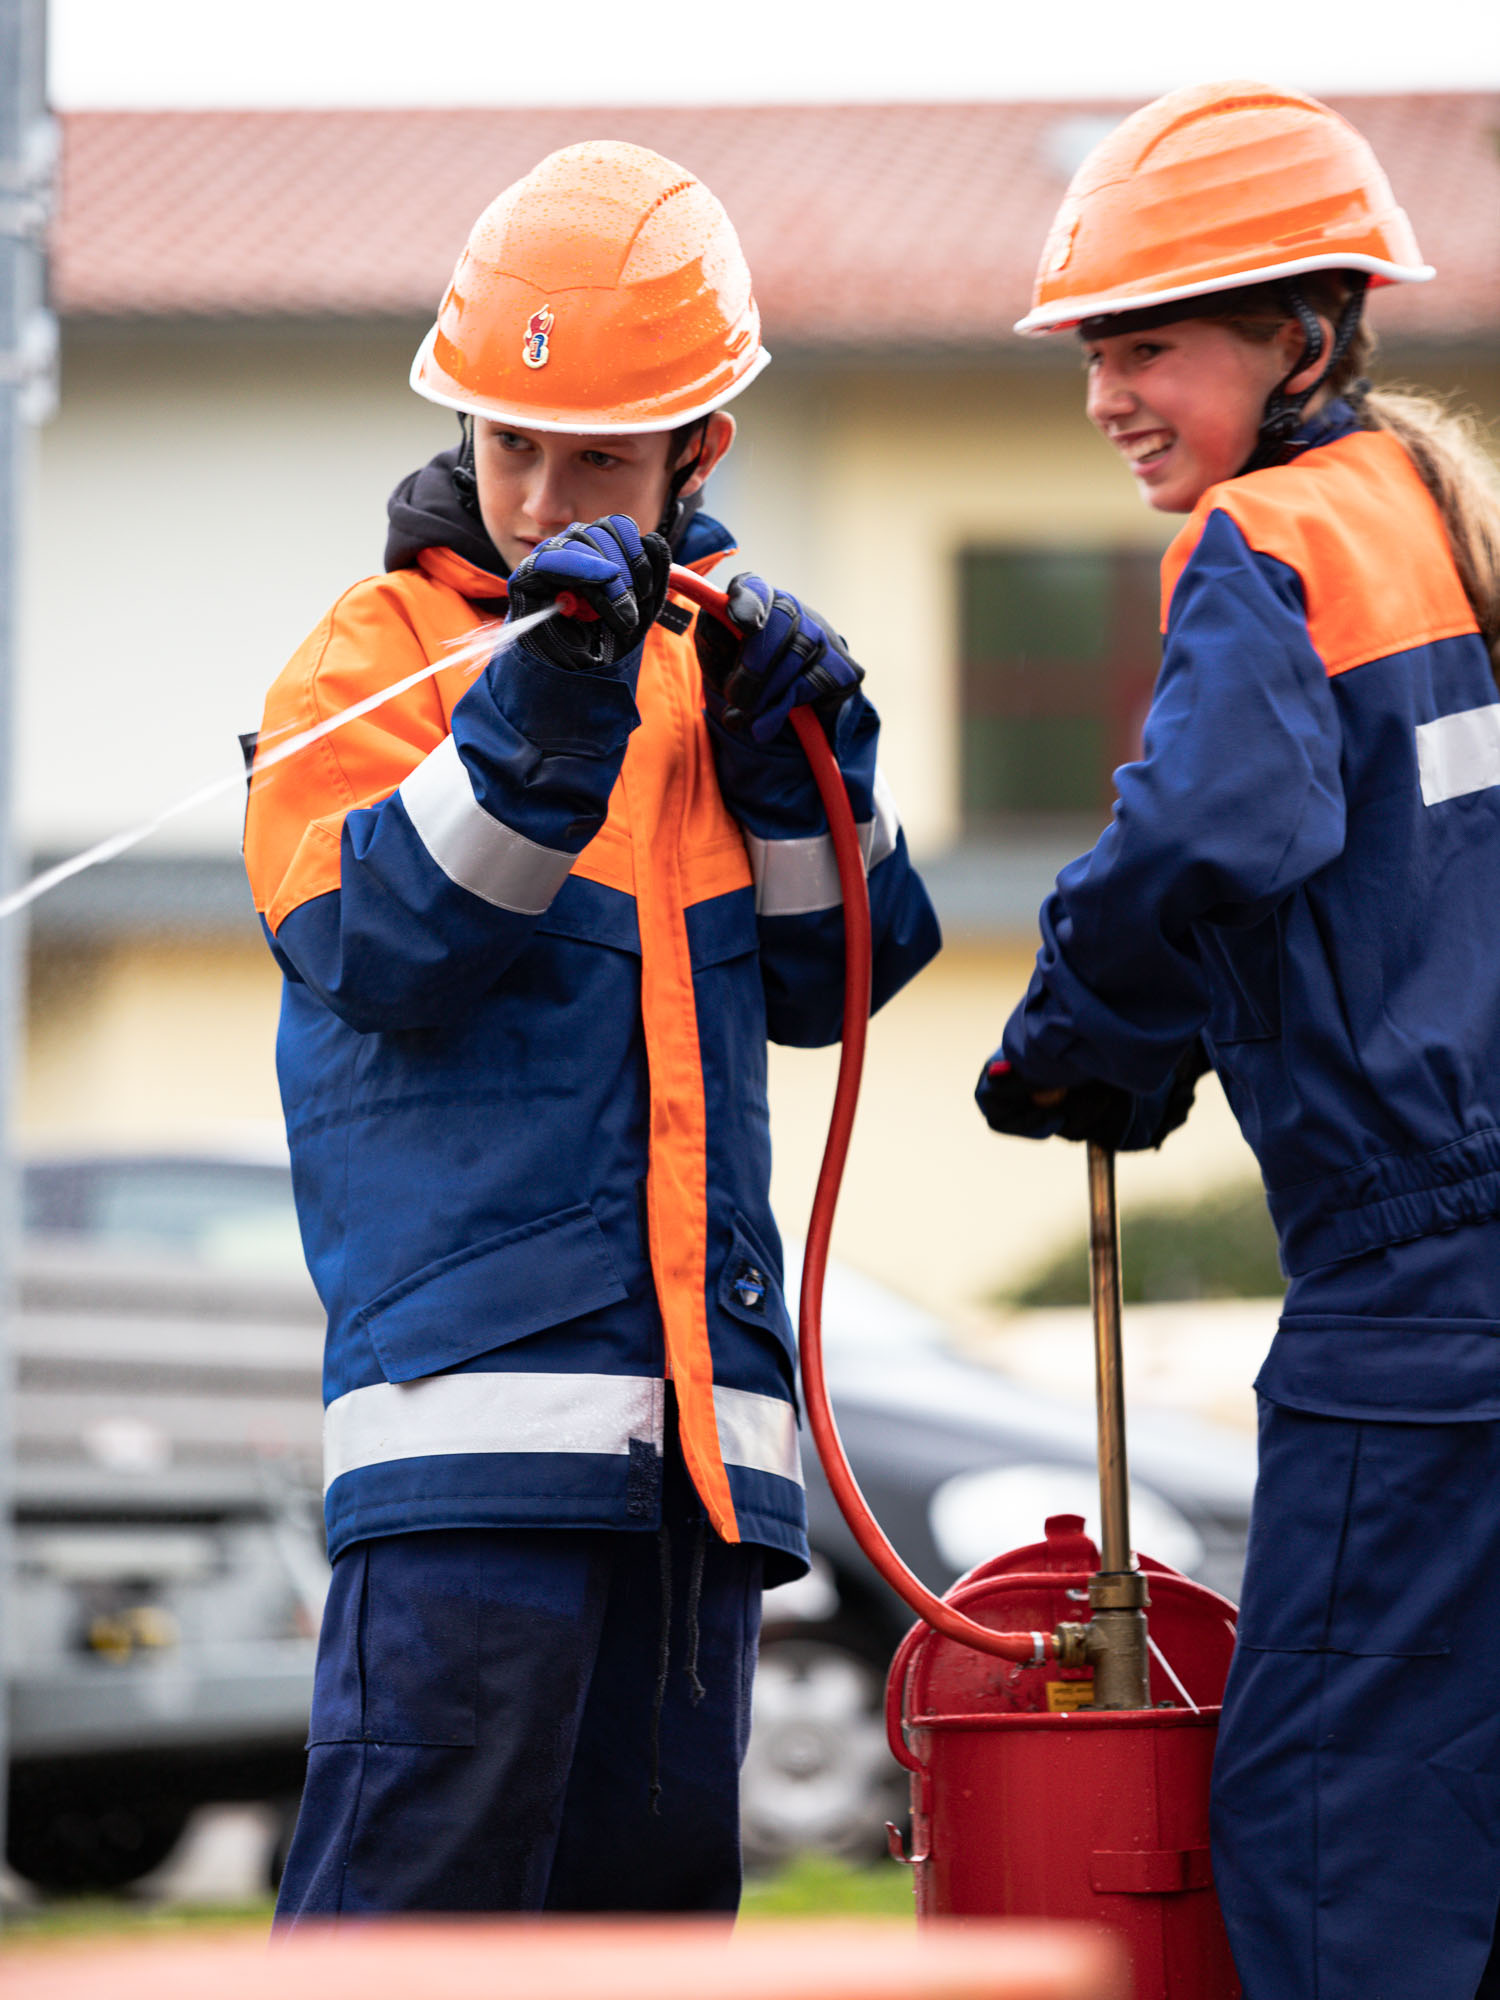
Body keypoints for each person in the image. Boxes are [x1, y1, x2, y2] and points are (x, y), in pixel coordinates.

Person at [243, 139, 940, 1920]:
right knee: (405, 1948)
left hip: (700, 1472)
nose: (546, 494)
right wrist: (540, 710)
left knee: (649, 1950)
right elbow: (384, 947)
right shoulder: (368, 660)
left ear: (703, 448)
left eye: (599, 456)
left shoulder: (718, 678)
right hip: (469, 1455)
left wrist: (816, 760)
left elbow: (833, 982)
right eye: (510, 443)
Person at [974, 81, 1500, 1999]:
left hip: (1418, 1295)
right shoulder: (1432, 527)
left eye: (1151, 344)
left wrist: (1074, 1034)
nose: (1110, 393)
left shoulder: (1270, 539)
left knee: (1334, 1837)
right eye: (1095, 350)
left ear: (1300, 335)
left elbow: (1206, 827)